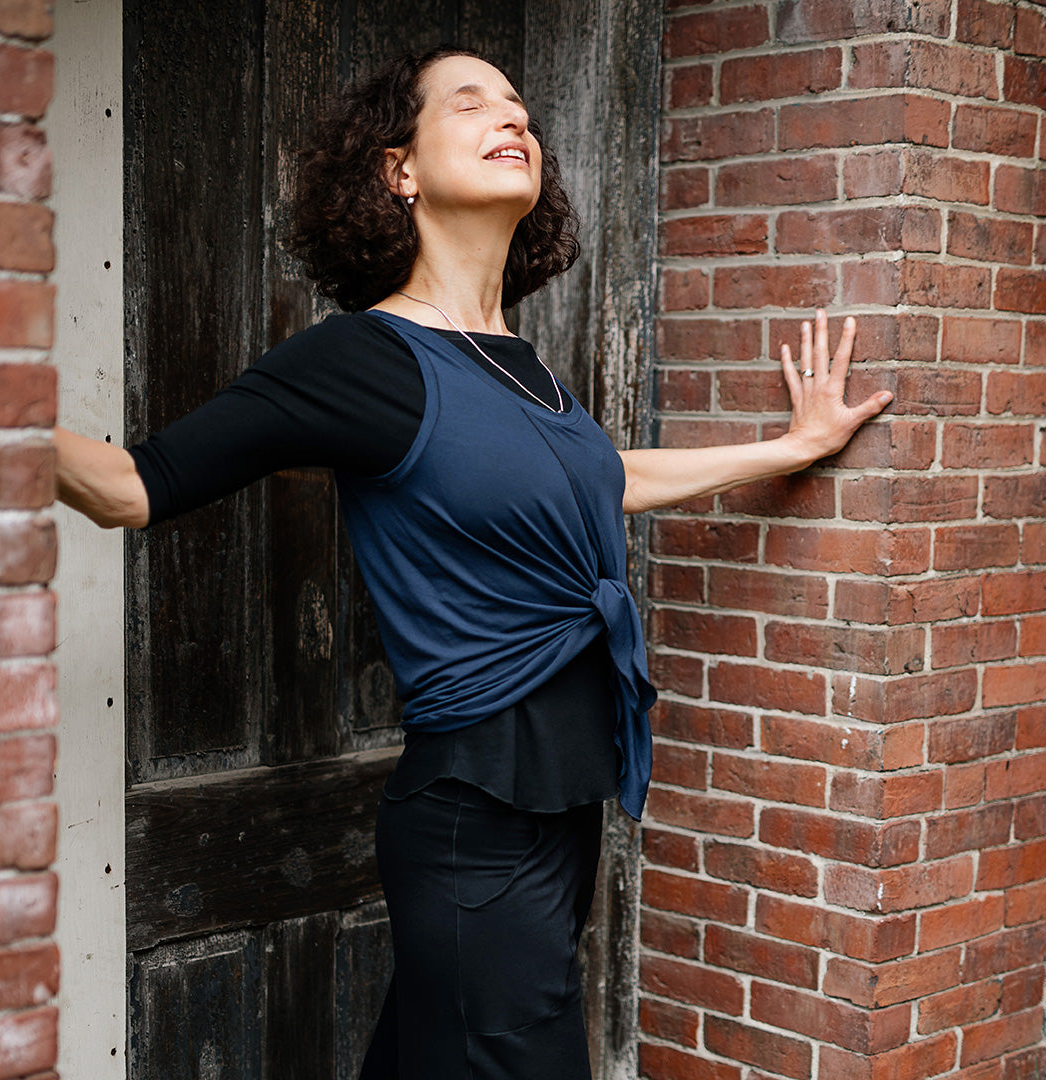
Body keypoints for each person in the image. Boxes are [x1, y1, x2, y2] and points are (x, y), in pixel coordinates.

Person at [55, 45, 893, 1080]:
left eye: (522, 110)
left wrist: (789, 449)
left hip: (561, 805)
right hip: (478, 815)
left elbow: (599, 480)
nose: (514, 121)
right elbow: (132, 485)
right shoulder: (358, 359)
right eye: (472, 103)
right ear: (399, 168)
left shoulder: (522, 362)